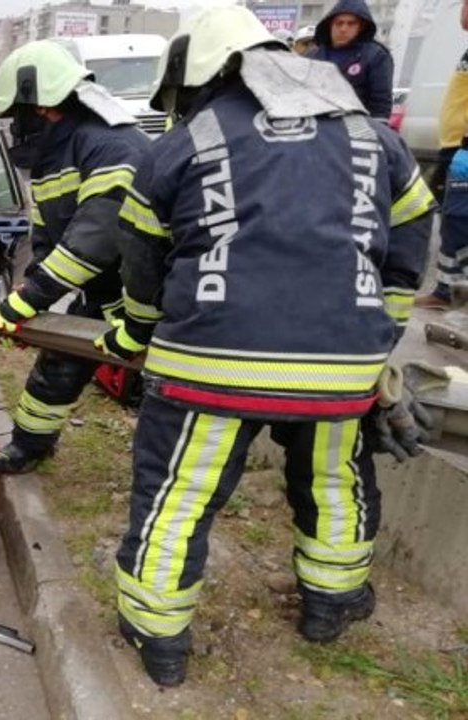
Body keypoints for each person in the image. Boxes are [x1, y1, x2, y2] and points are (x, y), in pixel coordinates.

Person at [103, 6, 434, 687]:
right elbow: (410, 236)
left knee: (178, 498)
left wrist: (134, 330)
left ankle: (157, 637)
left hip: (206, 369)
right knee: (334, 485)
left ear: (197, 74)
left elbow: (140, 257)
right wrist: (377, 334)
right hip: (339, 371)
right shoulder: (375, 139)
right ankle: (330, 606)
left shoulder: (181, 143)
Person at [0, 39, 151, 474]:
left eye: (14, 116)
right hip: (105, 294)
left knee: (160, 394)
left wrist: (27, 300)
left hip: (152, 300)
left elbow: (97, 236)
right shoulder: (57, 154)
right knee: (57, 367)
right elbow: (49, 231)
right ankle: (30, 446)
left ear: (41, 107)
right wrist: (30, 289)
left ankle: (162, 472)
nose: (13, 129)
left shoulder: (113, 147)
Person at [416, 0, 468, 310]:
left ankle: (452, 291)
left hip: (465, 146)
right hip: (454, 145)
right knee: (452, 219)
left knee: (458, 218)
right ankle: (448, 289)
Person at [305, 0, 394, 119]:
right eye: (339, 23)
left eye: (351, 24)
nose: (343, 29)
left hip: (356, 126)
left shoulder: (376, 55)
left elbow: (380, 102)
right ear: (330, 25)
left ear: (361, 26)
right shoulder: (312, 56)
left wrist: (376, 131)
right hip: (317, 125)